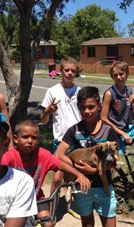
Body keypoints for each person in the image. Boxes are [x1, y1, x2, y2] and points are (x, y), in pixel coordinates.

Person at [1, 119, 91, 227]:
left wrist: (79, 175)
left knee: (49, 223)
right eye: (25, 137)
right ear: (15, 139)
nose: (30, 141)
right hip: (15, 200)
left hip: (36, 198)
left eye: (34, 137)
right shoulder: (10, 157)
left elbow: (60, 164)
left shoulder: (42, 154)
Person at [55, 86, 119, 227]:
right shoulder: (74, 130)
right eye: (83, 107)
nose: (87, 111)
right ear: (78, 107)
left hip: (104, 188)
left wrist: (94, 171)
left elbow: (114, 161)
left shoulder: (108, 131)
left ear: (99, 106)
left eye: (91, 107)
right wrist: (77, 170)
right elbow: (58, 155)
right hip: (82, 190)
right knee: (87, 223)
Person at [101, 61, 134, 153]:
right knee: (118, 160)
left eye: (121, 74)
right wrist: (122, 133)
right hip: (114, 132)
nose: (119, 77)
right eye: (115, 75)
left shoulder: (129, 90)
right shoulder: (109, 93)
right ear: (112, 77)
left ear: (127, 74)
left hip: (127, 128)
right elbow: (103, 118)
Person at [40, 56, 82, 153]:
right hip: (60, 140)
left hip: (79, 139)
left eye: (73, 71)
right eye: (67, 70)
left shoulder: (80, 92)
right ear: (61, 70)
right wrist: (47, 113)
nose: (70, 73)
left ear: (76, 72)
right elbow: (43, 121)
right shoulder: (52, 91)